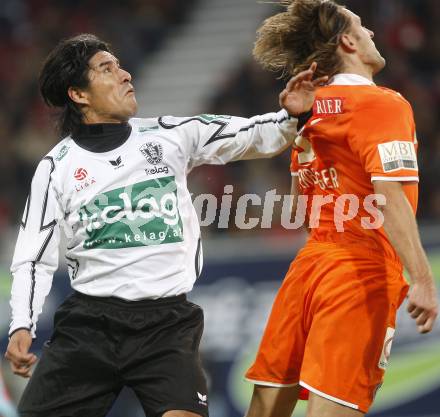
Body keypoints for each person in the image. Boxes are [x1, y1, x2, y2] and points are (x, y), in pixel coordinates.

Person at [4, 34, 326, 417]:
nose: (125, 74)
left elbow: (253, 136)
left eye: (120, 65)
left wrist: (292, 116)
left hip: (166, 327)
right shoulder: (56, 167)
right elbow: (32, 258)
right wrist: (22, 323)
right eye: (107, 69)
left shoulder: (169, 134)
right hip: (89, 327)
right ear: (79, 94)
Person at [244, 1, 438, 417]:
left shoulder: (311, 111)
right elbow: (388, 196)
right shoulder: (384, 104)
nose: (370, 32)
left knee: (265, 408)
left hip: (308, 267)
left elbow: (301, 207)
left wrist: (298, 129)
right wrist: (421, 277)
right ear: (348, 41)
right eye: (362, 27)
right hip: (361, 269)